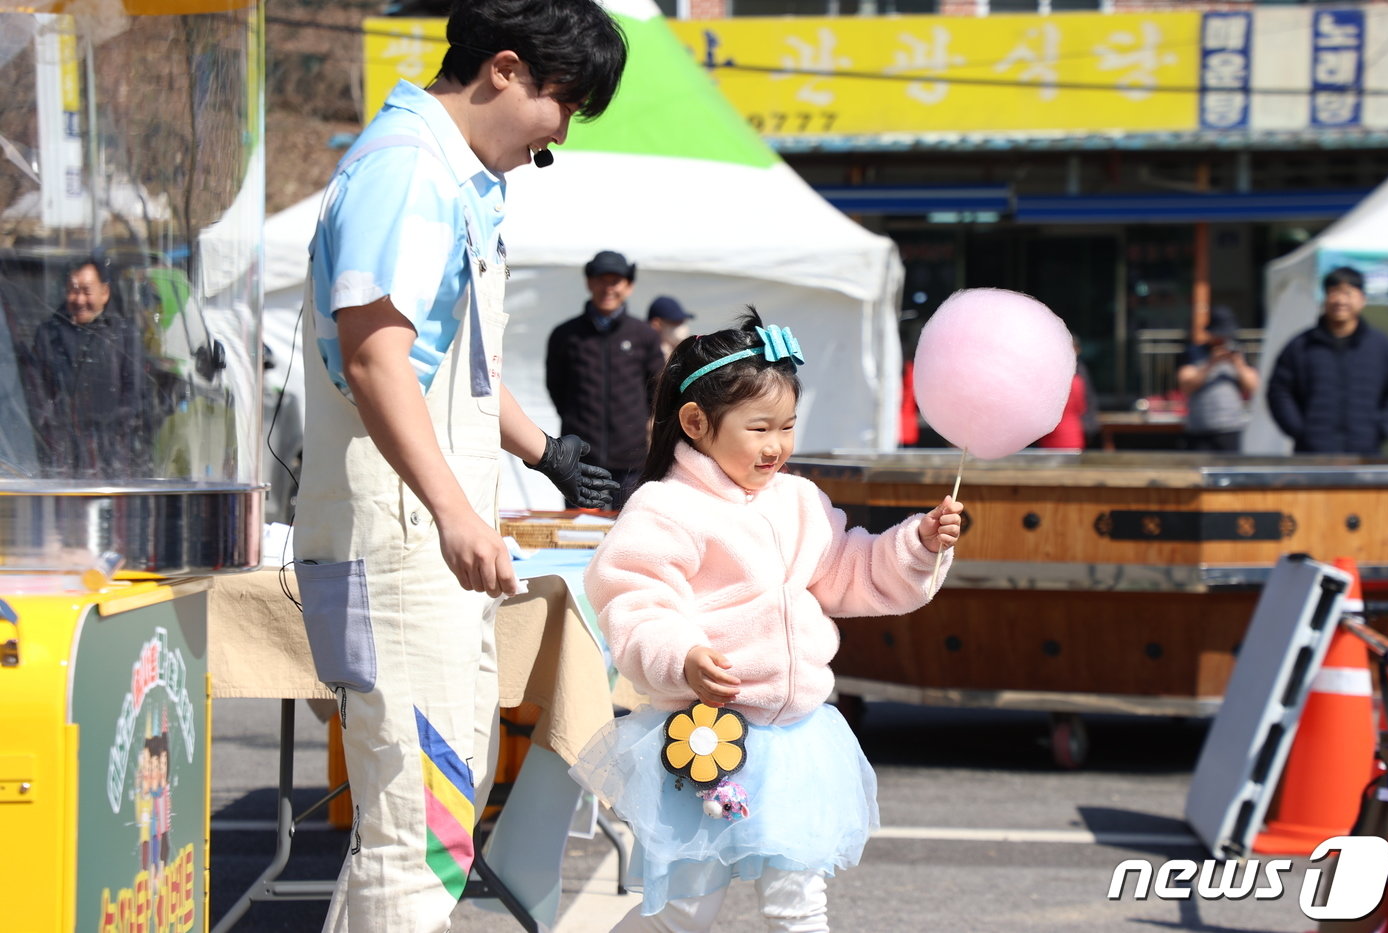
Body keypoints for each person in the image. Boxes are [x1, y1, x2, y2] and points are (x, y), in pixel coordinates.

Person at [292, 3, 625, 930]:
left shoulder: (456, 176)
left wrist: (545, 451)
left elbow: (453, 363)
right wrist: (453, 512)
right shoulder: (406, 171)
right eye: (564, 107)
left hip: (424, 544)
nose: (559, 136)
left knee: (429, 811)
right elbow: (374, 357)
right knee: (420, 827)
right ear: (507, 69)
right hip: (399, 542)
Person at [570, 310, 963, 932]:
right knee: (683, 909)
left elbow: (847, 568)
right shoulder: (666, 508)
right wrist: (683, 656)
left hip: (797, 742)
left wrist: (916, 543)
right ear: (697, 424)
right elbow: (634, 600)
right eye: (759, 428)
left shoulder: (799, 500)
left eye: (787, 426)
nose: (777, 444)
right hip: (706, 739)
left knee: (799, 906)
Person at [546, 249, 666, 509]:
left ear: (629, 286)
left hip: (632, 457)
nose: (608, 287)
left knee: (631, 532)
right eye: (601, 279)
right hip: (580, 457)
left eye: (616, 280)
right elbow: (556, 387)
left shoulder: (643, 334)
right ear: (589, 282)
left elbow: (656, 388)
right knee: (579, 534)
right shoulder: (566, 335)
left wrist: (640, 427)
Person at [26, 256, 149, 477]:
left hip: (114, 463)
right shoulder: (47, 334)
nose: (80, 299)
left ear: (105, 293)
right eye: (73, 290)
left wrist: (110, 438)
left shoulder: (124, 334)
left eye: (87, 290)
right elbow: (36, 395)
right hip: (60, 462)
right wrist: (56, 434)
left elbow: (135, 396)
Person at [1267, 266, 1388, 454]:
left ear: (1362, 299)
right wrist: (1300, 430)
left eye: (1348, 293)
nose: (1340, 300)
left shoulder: (1381, 347)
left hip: (1366, 453)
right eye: (1333, 292)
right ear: (1324, 299)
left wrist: (1383, 428)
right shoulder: (1301, 346)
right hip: (1313, 453)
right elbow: (1279, 392)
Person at [1176, 305, 1258, 452]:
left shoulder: (1238, 353)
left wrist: (1238, 364)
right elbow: (1186, 385)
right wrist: (1211, 363)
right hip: (1201, 429)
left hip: (1231, 428)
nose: (1222, 339)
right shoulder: (1194, 352)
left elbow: (1253, 386)